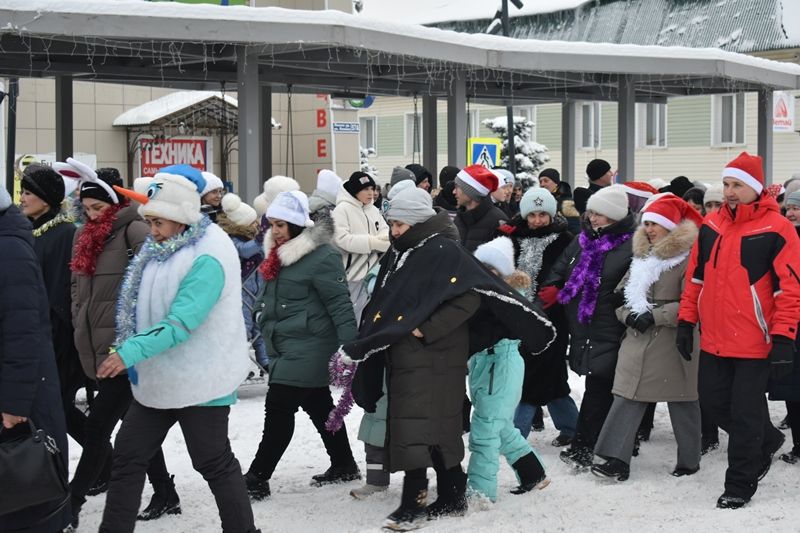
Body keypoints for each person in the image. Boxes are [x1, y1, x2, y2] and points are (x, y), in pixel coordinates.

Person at [340, 187, 555, 530]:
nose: (393, 231)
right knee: (432, 426)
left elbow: (470, 297)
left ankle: (413, 501)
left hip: (435, 354)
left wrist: (425, 329)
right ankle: (453, 494)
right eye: (391, 224)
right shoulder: (405, 251)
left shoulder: (442, 250)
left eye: (398, 224)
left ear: (416, 221)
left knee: (420, 424)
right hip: (411, 356)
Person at [97, 165, 257, 533]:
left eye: (159, 223)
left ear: (183, 217)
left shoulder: (209, 256)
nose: (151, 231)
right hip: (158, 377)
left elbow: (181, 323)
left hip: (201, 380)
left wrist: (130, 352)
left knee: (213, 462)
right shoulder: (161, 248)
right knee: (128, 457)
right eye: (149, 222)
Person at [677, 152, 800, 509]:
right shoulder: (711, 224)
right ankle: (768, 440)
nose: (730, 192)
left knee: (746, 414)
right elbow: (695, 277)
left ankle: (740, 482)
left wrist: (783, 338)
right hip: (714, 338)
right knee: (713, 404)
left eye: (738, 185)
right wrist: (686, 321)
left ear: (756, 188)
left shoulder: (778, 229)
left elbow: (789, 290)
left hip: (755, 341)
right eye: (727, 184)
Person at [67, 161, 178, 528]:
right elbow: (80, 289)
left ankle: (72, 502)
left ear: (114, 204)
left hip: (125, 349)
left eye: (98, 208)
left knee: (99, 428)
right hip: (98, 347)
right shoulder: (85, 237)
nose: (92, 215)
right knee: (135, 427)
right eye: (87, 209)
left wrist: (135, 338)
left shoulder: (133, 229)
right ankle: (165, 491)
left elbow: (156, 281)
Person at [245, 191, 361, 500]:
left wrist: (352, 347)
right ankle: (345, 463)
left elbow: (340, 304)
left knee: (279, 407)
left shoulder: (322, 256)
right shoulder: (279, 252)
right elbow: (268, 293)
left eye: (282, 225)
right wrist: (258, 311)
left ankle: (258, 476)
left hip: (311, 344)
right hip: (285, 341)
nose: (276, 231)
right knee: (318, 404)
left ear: (297, 224)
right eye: (272, 224)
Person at [591, 196, 703, 482]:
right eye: (647, 224)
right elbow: (622, 294)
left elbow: (697, 301)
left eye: (654, 224)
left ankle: (690, 459)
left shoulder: (688, 258)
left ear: (670, 226)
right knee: (626, 394)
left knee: (682, 400)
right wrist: (628, 315)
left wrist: (657, 315)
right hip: (638, 337)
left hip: (674, 339)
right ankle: (614, 458)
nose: (649, 229)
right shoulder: (643, 256)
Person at [541, 184, 636, 469]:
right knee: (600, 385)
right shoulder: (583, 240)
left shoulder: (631, 244)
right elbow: (561, 267)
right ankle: (597, 442)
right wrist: (554, 286)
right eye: (592, 213)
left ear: (617, 217)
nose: (593, 219)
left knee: (600, 385)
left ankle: (587, 445)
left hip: (610, 326)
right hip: (583, 325)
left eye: (601, 215)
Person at [0, 181, 71, 533]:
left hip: (19, 397)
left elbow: (22, 330)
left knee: (26, 499)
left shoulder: (9, 248)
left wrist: (14, 403)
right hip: (17, 388)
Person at [467, 236, 550, 502]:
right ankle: (533, 474)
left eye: (490, 269)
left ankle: (480, 492)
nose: (483, 273)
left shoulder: (510, 301)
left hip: (500, 367)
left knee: (485, 430)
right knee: (500, 427)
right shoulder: (481, 293)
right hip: (485, 366)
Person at [499, 188, 578, 447]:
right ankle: (572, 427)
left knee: (541, 372)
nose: (537, 220)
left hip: (552, 316)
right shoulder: (512, 236)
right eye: (532, 214)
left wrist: (559, 291)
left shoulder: (565, 239)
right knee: (544, 375)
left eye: (543, 214)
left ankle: (516, 434)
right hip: (518, 314)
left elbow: (573, 273)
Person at [19, 164, 86, 452]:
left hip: (56, 340)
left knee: (57, 408)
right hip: (34, 336)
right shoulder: (29, 231)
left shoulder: (64, 234)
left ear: (45, 198)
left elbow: (60, 291)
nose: (21, 198)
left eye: (27, 192)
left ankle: (102, 458)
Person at [217, 193, 268, 371]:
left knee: (260, 326)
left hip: (257, 288)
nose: (255, 225)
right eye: (252, 222)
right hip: (241, 289)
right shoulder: (232, 239)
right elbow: (245, 251)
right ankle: (236, 365)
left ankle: (265, 362)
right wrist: (260, 239)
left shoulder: (253, 238)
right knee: (244, 327)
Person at [332, 171, 390, 322]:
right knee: (350, 319)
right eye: (366, 189)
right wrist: (373, 243)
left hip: (373, 274)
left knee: (370, 318)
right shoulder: (342, 209)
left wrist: (381, 241)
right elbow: (342, 239)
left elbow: (386, 232)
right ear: (355, 190)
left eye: (373, 188)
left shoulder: (373, 210)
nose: (371, 193)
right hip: (350, 276)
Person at [769, 189, 800, 465]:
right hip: (791, 326)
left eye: (796, 208)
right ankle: (799, 446)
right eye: (788, 208)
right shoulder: (783, 239)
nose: (790, 213)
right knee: (793, 388)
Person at [454, 165, 508, 252]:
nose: (454, 192)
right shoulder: (459, 218)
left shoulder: (498, 221)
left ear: (471, 191)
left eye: (457, 187)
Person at [538, 168, 580, 233]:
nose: (542, 184)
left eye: (546, 181)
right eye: (540, 182)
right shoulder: (541, 201)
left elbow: (575, 229)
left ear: (556, 183)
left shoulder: (567, 203)